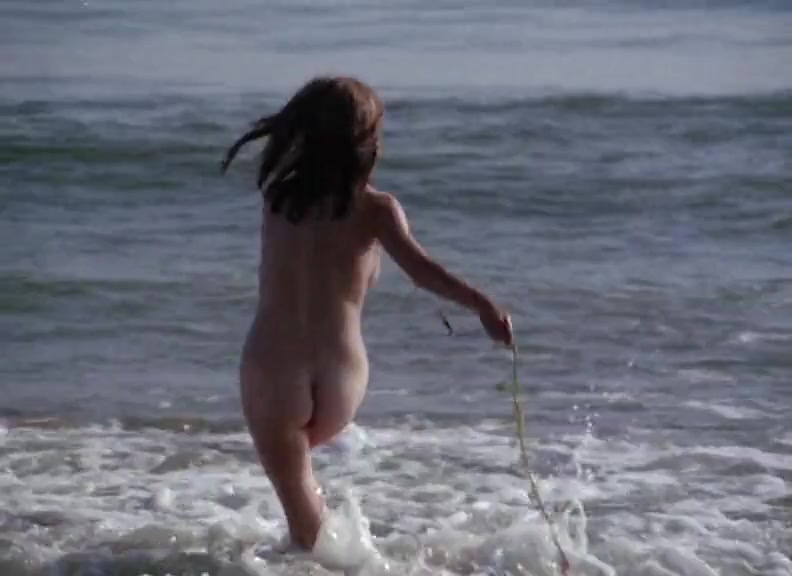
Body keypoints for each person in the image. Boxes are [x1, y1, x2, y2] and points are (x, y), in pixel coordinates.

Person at [220, 76, 513, 562]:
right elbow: (422, 271)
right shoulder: (376, 209)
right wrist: (483, 305)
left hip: (273, 369)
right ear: (366, 143)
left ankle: (329, 564)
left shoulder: (278, 199)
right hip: (342, 377)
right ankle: (343, 561)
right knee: (308, 508)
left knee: (301, 512)